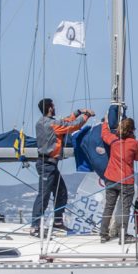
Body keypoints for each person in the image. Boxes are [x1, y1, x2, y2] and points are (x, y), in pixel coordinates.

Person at [32, 98, 92, 234]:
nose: (55, 107)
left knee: (61, 193)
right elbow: (73, 126)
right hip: (47, 164)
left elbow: (65, 121)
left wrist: (78, 112)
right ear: (50, 108)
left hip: (49, 165)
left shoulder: (41, 122)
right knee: (44, 196)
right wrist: (86, 116)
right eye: (53, 105)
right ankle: (34, 226)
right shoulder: (52, 125)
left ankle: (58, 222)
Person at [99, 114, 138, 242]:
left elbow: (104, 133)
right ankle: (123, 236)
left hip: (111, 178)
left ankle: (103, 233)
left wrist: (105, 122)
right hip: (126, 180)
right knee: (125, 208)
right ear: (133, 130)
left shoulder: (114, 141)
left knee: (109, 206)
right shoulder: (135, 144)